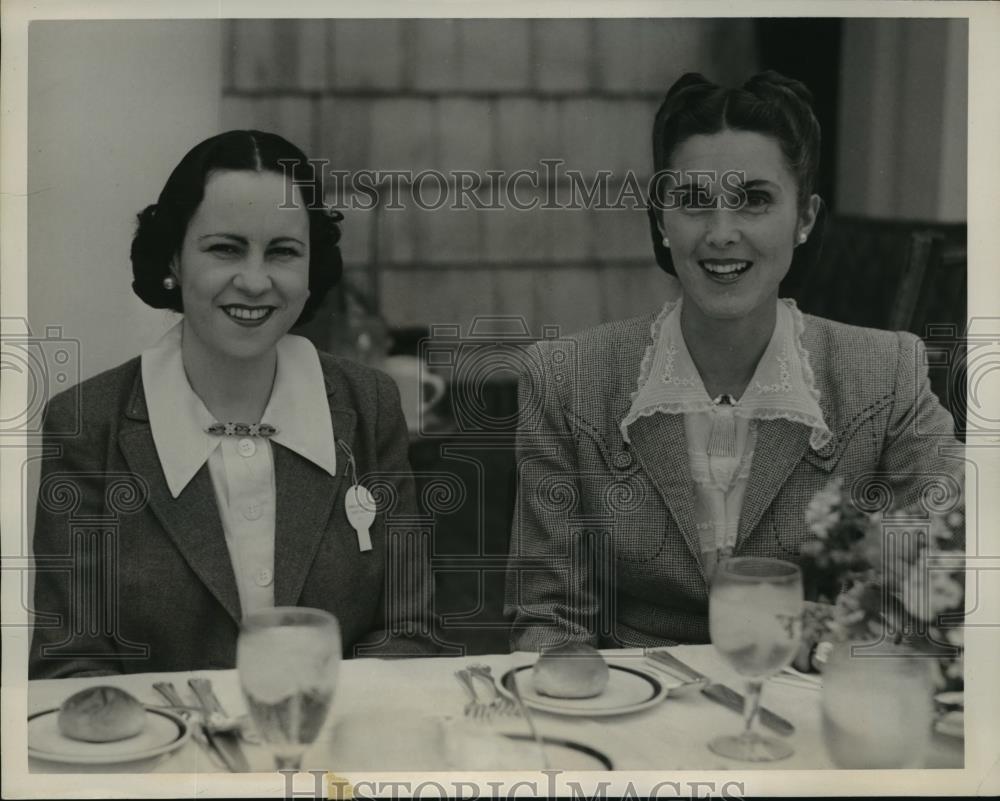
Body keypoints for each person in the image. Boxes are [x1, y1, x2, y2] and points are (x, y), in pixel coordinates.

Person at [505, 72, 964, 652]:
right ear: (659, 219)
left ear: (804, 218)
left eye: (754, 200)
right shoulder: (565, 378)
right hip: (633, 711)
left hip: (809, 702)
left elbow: (939, 571)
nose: (722, 233)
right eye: (694, 201)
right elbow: (548, 617)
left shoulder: (886, 373)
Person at [30, 130, 437, 679]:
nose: (254, 280)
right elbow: (72, 664)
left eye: (283, 251)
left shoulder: (370, 405)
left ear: (312, 267)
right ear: (174, 257)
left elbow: (409, 632)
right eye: (225, 248)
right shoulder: (87, 424)